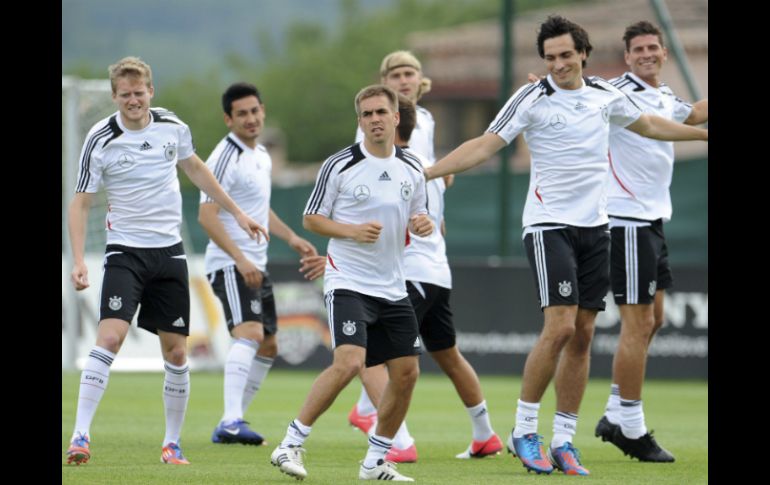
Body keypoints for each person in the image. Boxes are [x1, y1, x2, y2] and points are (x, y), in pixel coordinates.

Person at [425, 16, 707, 476]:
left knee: (583, 335)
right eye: (550, 57)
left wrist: (700, 134)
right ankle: (524, 429)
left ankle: (563, 440)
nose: (558, 64)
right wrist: (428, 172)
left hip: (597, 228)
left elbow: (652, 126)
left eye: (565, 55)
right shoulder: (532, 97)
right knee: (558, 329)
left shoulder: (604, 95)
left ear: (583, 54)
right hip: (548, 226)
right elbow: (484, 144)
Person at [65, 57, 268, 466]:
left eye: (140, 92)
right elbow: (81, 201)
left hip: (170, 254)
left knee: (176, 354)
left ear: (151, 91)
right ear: (114, 97)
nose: (134, 100)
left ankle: (172, 444)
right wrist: (77, 259)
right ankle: (79, 436)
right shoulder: (100, 138)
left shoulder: (172, 127)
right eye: (126, 95)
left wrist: (238, 213)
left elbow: (196, 168)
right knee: (109, 339)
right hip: (125, 252)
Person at [269, 84, 433, 482]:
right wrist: (351, 231)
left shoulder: (412, 168)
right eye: (367, 114)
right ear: (359, 121)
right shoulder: (339, 165)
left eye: (381, 112)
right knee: (350, 363)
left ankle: (375, 461)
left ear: (396, 117)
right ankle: (290, 443)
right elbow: (311, 219)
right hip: (348, 281)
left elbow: (418, 216)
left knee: (407, 373)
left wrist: (422, 223)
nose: (375, 120)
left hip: (393, 286)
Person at [593, 21, 708, 463]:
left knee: (655, 319)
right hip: (625, 221)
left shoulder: (664, 94)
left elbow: (689, 113)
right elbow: (656, 127)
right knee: (637, 324)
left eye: (651, 48)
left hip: (652, 221)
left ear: (662, 54)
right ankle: (632, 427)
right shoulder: (615, 92)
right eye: (637, 49)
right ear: (627, 57)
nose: (645, 54)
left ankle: (613, 413)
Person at [198, 82, 319, 446]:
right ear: (228, 119)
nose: (251, 119)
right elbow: (206, 215)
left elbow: (257, 208)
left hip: (256, 262)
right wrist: (239, 258)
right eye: (242, 114)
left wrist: (291, 237)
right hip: (231, 262)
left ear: (263, 111)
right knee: (249, 334)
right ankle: (232, 420)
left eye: (255, 111)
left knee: (268, 346)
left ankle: (231, 421)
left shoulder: (261, 155)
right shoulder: (224, 156)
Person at [347, 50, 442, 463]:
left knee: (403, 356)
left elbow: (423, 182)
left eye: (410, 73)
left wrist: (430, 215)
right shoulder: (369, 133)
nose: (404, 80)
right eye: (395, 74)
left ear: (421, 79)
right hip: (371, 259)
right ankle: (394, 438)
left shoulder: (427, 122)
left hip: (417, 254)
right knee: (366, 352)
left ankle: (368, 414)